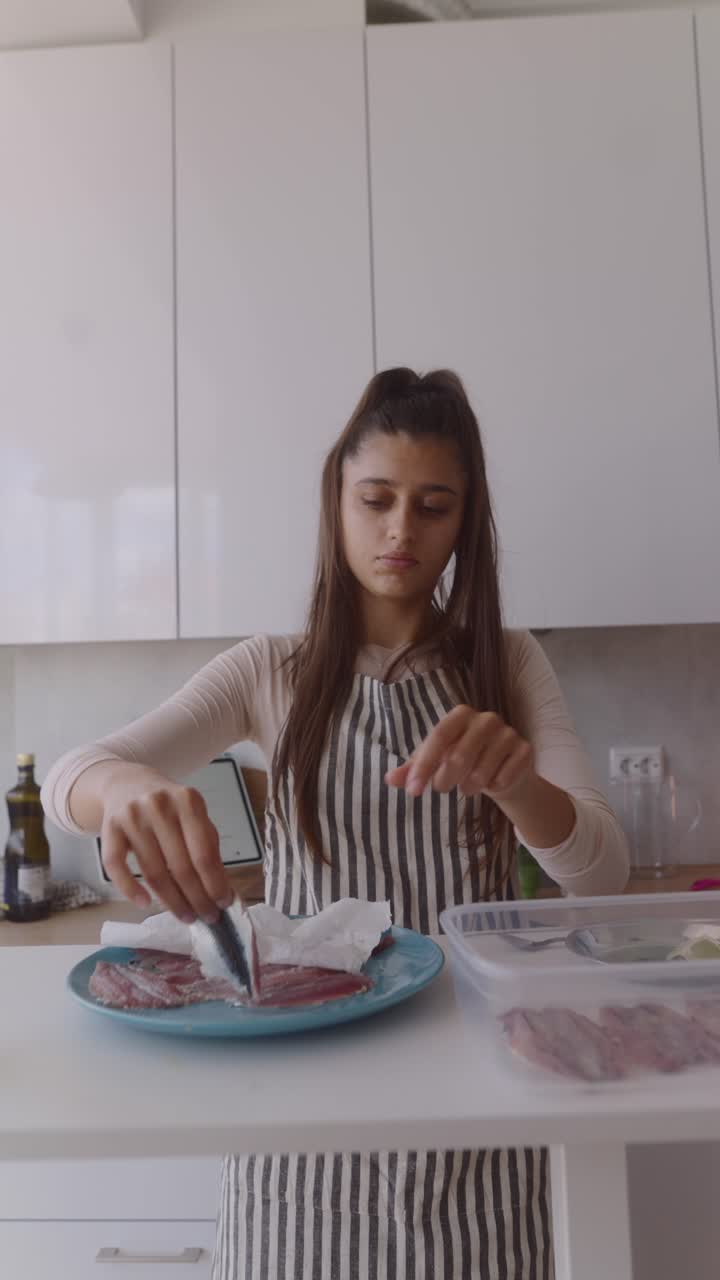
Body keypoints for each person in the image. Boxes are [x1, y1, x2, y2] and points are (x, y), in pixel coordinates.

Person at [42, 368, 629, 1279]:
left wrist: (518, 784)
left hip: (475, 1100)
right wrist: (123, 791)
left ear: (466, 522)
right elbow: (70, 775)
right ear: (336, 502)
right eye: (377, 499)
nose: (401, 530)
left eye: (434, 506)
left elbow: (603, 876)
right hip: (303, 1100)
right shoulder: (270, 670)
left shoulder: (509, 664)